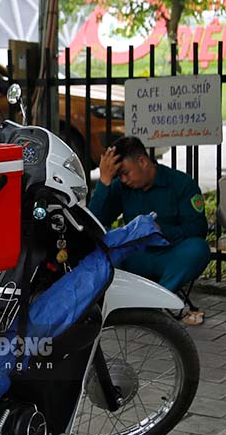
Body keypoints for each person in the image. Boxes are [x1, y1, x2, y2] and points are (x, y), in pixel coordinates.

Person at [88, 136, 209, 324]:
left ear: (143, 161)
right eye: (119, 175)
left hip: (169, 254)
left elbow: (198, 229)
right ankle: (121, 304)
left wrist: (163, 230)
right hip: (135, 256)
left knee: (198, 249)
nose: (124, 179)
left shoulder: (180, 183)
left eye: (126, 172)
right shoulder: (122, 187)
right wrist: (104, 181)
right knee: (101, 250)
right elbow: (94, 221)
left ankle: (153, 304)